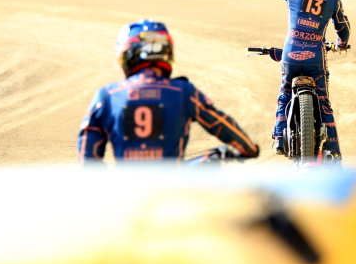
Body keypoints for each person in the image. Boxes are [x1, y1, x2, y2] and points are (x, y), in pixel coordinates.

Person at [77, 19, 259, 163]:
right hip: (171, 188)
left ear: (127, 55)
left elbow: (87, 156)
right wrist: (249, 148)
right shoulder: (183, 92)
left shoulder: (106, 96)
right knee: (213, 160)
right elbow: (220, 123)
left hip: (129, 192)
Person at [260, 0, 350, 159]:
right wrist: (341, 44)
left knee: (284, 94)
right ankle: (332, 152)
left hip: (290, 54)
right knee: (324, 104)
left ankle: (279, 139)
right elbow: (343, 28)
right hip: (316, 58)